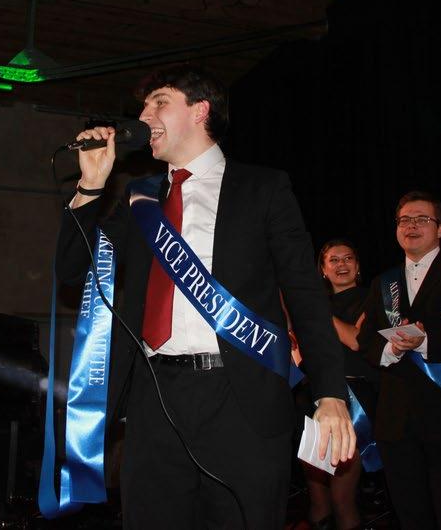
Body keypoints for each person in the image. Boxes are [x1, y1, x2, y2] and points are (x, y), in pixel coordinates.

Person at [55, 64, 354, 529]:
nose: (143, 115)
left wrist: (330, 392)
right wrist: (91, 185)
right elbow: (72, 269)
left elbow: (305, 295)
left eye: (159, 102)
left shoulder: (263, 188)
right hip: (154, 400)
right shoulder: (139, 198)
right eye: (143, 106)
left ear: (200, 110)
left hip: (241, 400)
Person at [360, 192, 441, 530]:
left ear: (440, 228)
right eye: (404, 220)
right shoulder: (383, 282)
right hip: (396, 418)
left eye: (421, 219)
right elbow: (366, 340)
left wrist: (425, 342)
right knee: (410, 512)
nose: (411, 226)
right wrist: (393, 348)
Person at [301, 240, 375, 530]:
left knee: (342, 499)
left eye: (348, 258)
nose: (341, 265)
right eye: (333, 260)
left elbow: (356, 340)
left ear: (357, 266)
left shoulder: (372, 297)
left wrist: (317, 314)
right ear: (322, 269)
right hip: (313, 399)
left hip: (355, 401)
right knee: (318, 501)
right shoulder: (312, 306)